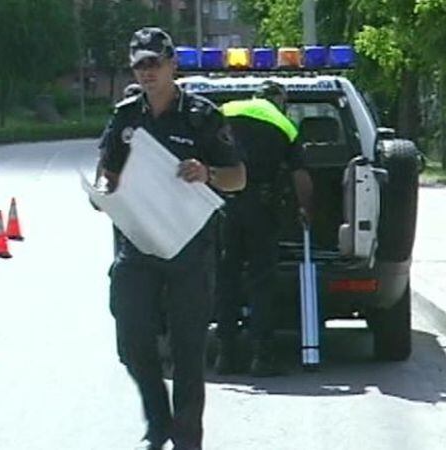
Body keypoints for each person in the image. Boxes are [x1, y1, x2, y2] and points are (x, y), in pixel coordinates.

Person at [95, 27, 246, 450]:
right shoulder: (126, 116)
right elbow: (107, 171)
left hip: (188, 247)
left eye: (154, 64)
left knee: (187, 350)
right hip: (138, 244)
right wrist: (106, 193)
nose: (147, 73)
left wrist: (208, 173)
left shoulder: (200, 116)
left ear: (171, 65)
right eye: (139, 65)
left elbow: (239, 178)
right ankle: (158, 419)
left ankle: (186, 440)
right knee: (131, 341)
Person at [214, 80, 313, 377]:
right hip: (260, 206)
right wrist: (306, 209)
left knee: (226, 277)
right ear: (280, 102)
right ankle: (262, 356)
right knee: (261, 280)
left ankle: (225, 354)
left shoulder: (222, 112)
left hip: (222, 205)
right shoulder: (284, 124)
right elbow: (301, 176)